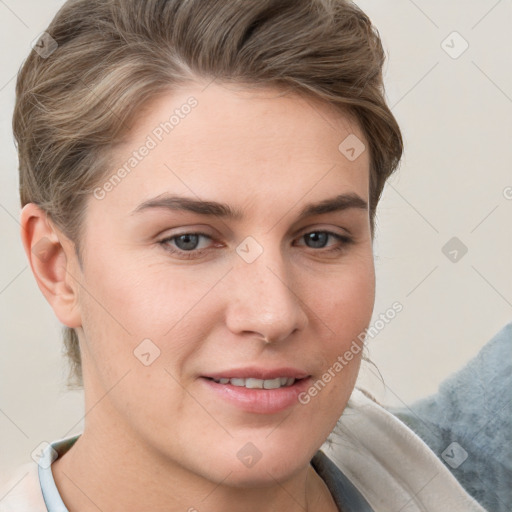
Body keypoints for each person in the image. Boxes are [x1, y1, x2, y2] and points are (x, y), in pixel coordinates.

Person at [0, 0, 499, 510]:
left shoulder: (475, 473)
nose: (273, 314)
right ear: (56, 267)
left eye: (319, 238)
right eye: (188, 240)